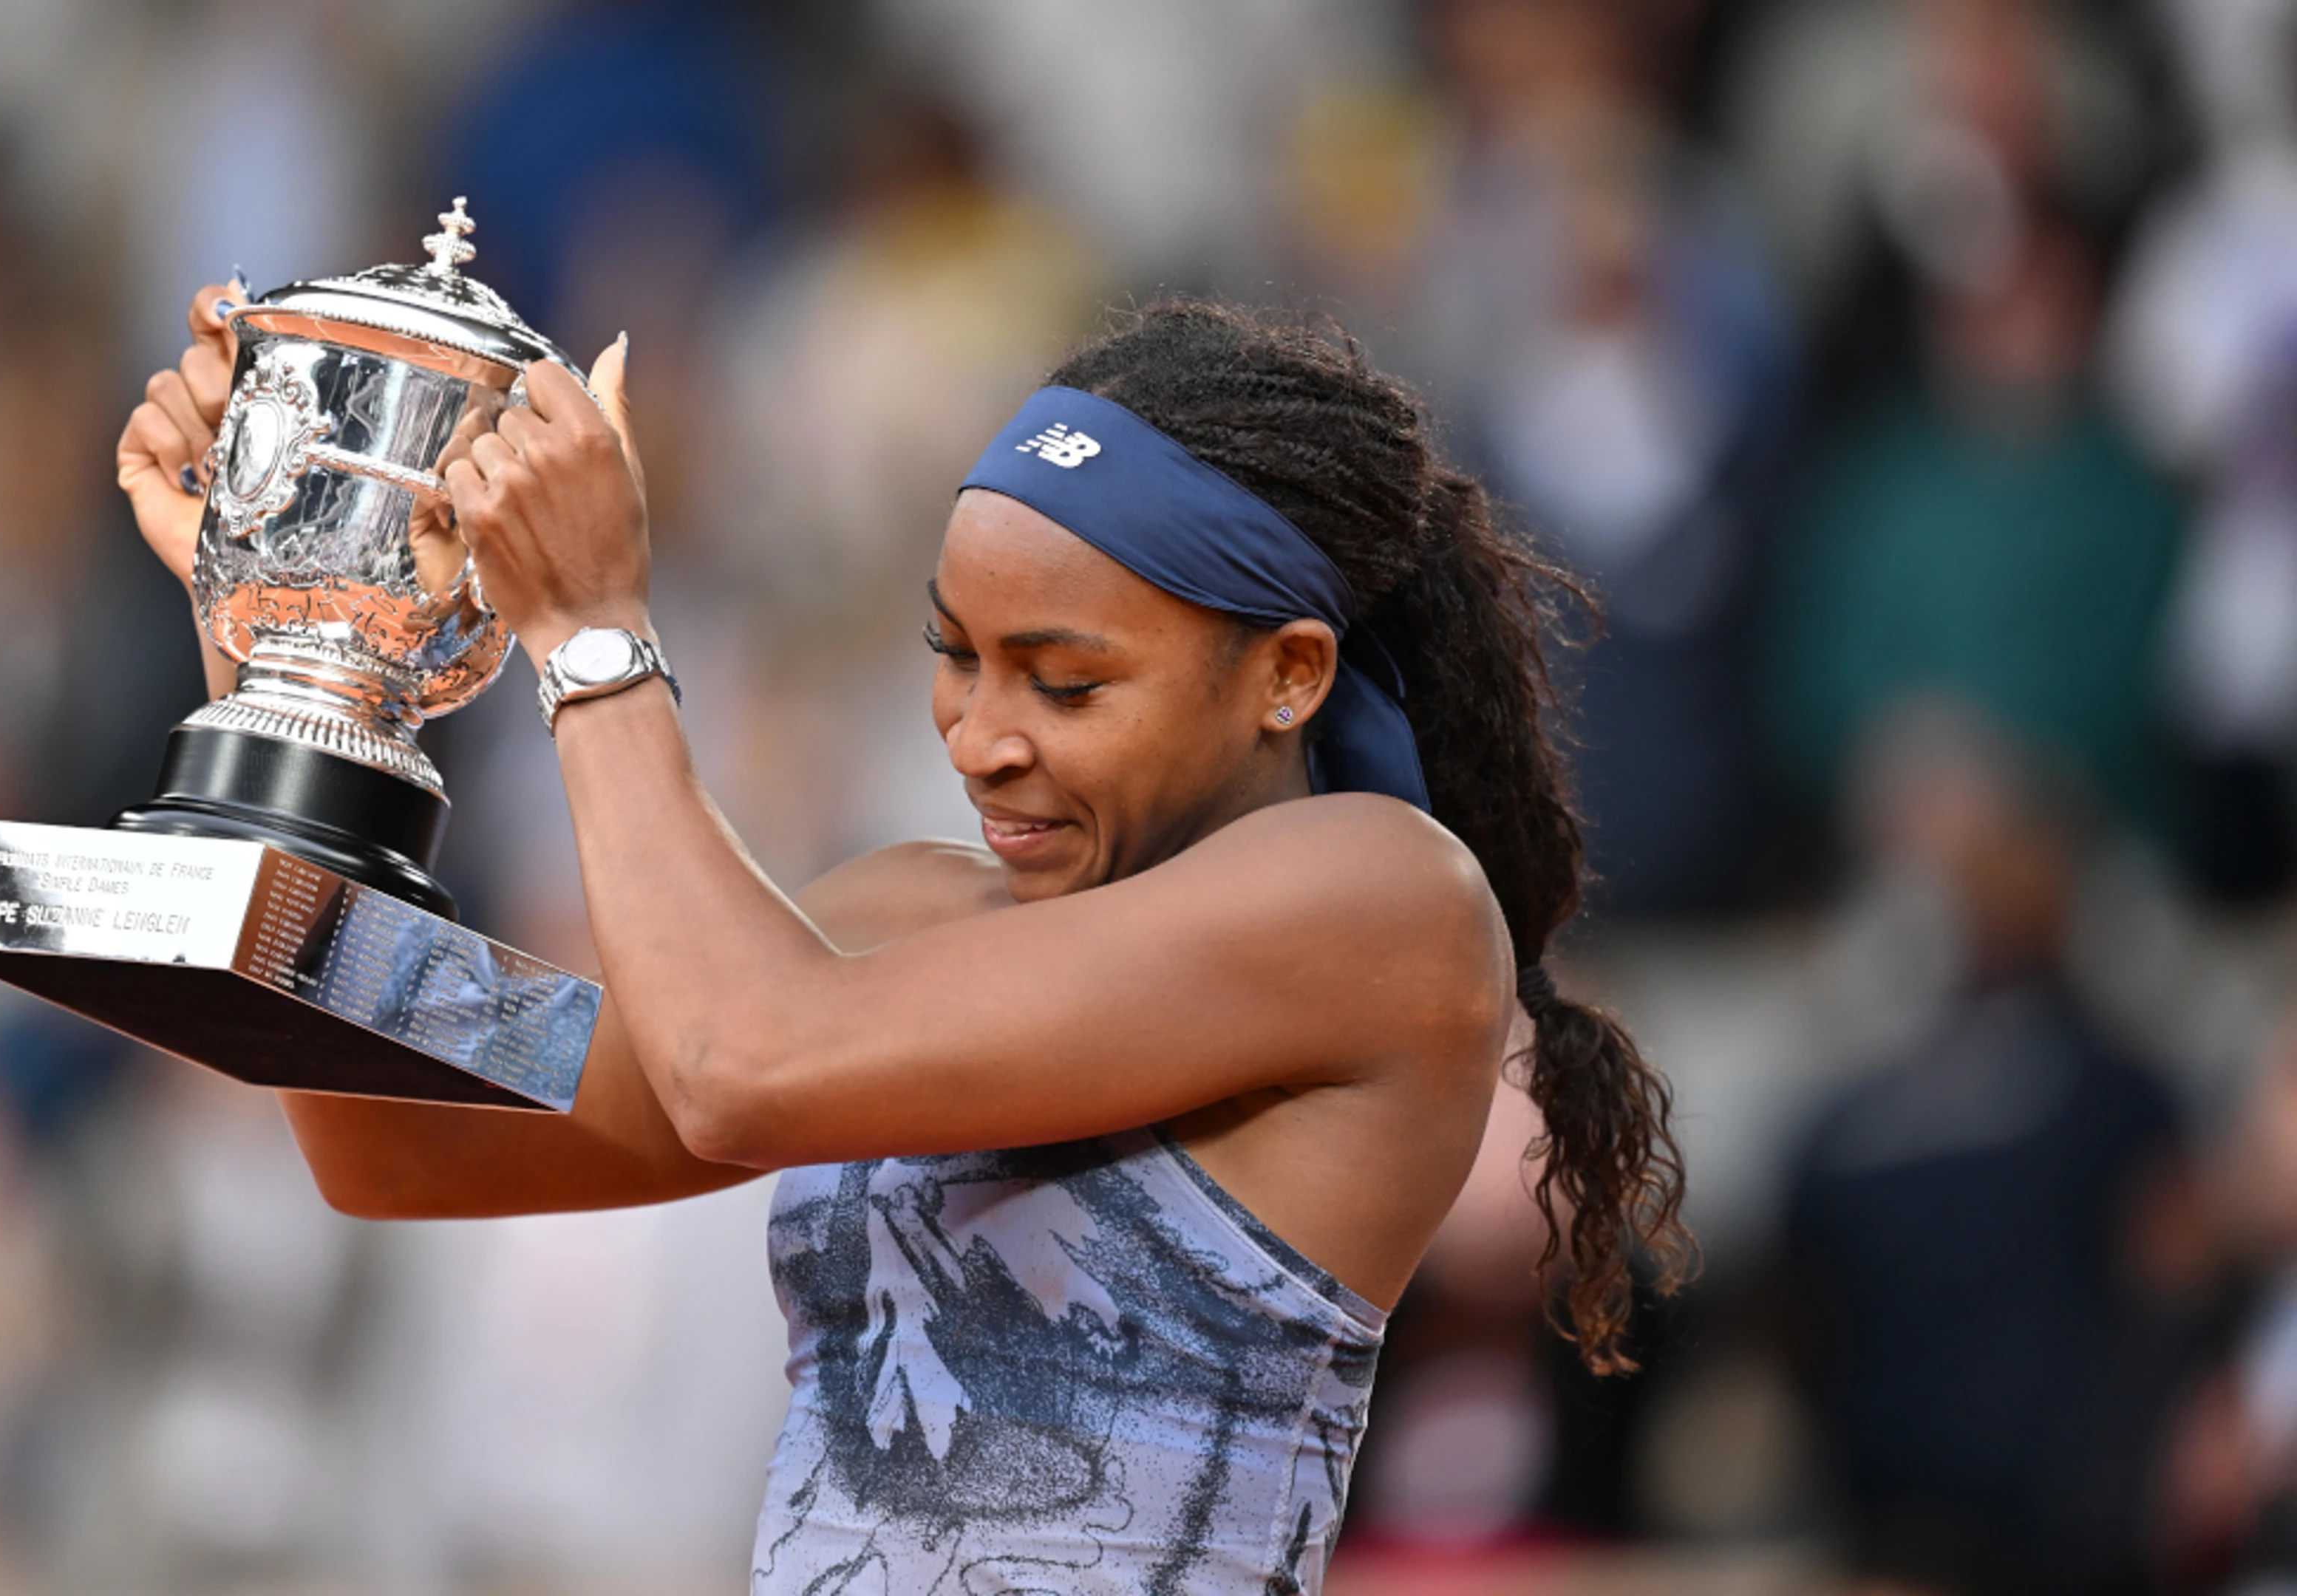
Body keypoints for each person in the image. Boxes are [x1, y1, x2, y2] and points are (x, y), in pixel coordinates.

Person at [115, 287, 1688, 1591]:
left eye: (1063, 683)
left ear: (1284, 676)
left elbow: (739, 1069)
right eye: (955, 659)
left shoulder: (1379, 900)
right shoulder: (906, 917)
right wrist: (308, 651)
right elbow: (407, 1146)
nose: (982, 737)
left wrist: (594, 639)